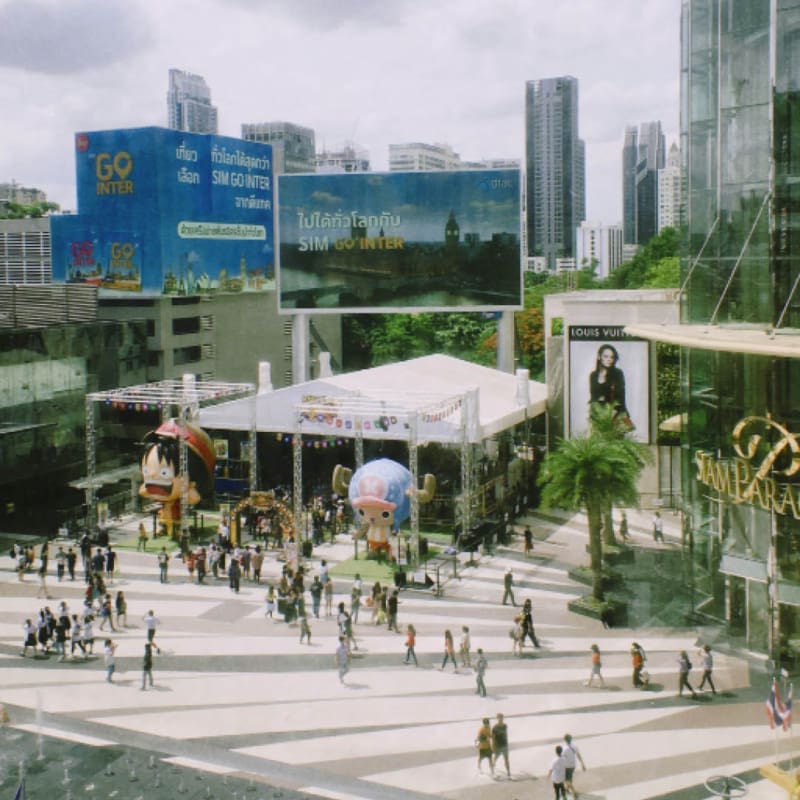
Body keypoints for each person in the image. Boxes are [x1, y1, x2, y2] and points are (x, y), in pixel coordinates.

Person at [589, 343, 631, 425]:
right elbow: (593, 397)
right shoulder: (593, 375)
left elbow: (620, 398)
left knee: (615, 437)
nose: (609, 359)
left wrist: (610, 416)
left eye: (612, 357)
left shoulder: (618, 373)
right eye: (606, 356)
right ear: (599, 357)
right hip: (597, 416)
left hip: (615, 414)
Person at [492, 713, 511, 779]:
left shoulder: (505, 726)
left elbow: (506, 735)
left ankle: (508, 773)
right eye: (499, 718)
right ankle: (493, 766)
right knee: (496, 757)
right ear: (497, 718)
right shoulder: (495, 727)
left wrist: (507, 743)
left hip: (504, 745)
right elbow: (493, 738)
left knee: (506, 759)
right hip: (498, 745)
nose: (501, 719)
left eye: (502, 717)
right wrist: (493, 746)